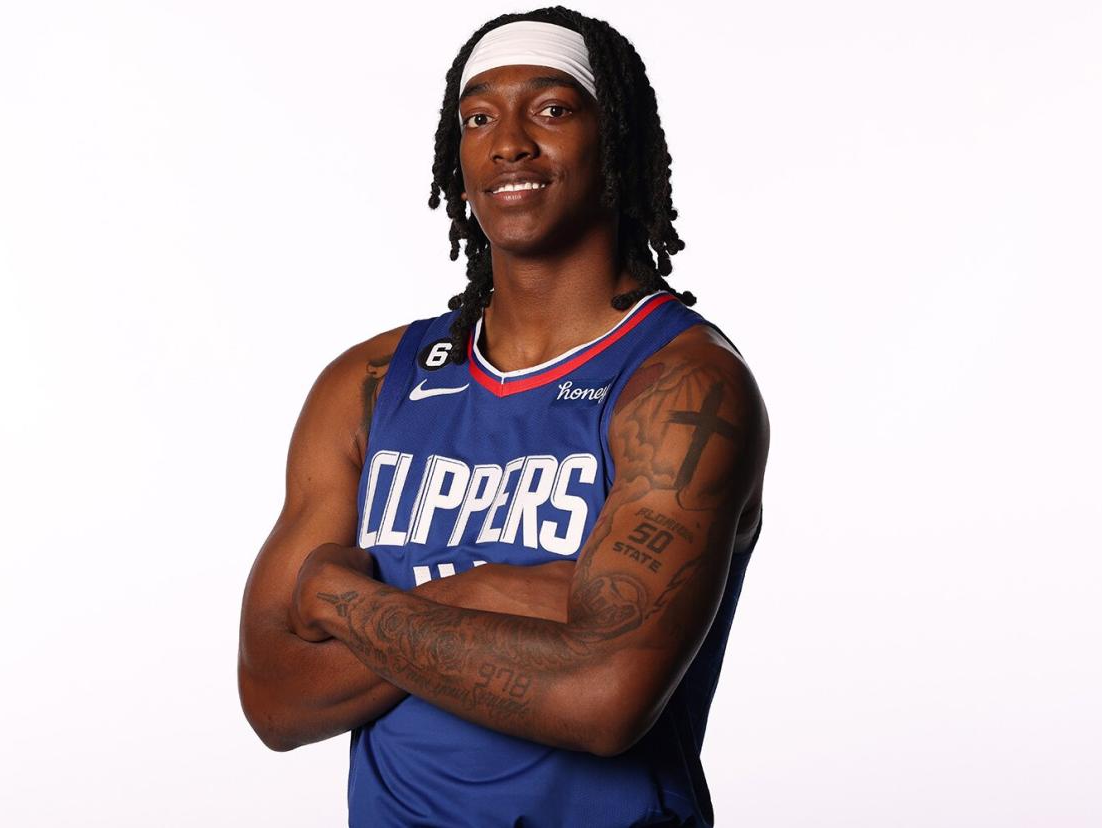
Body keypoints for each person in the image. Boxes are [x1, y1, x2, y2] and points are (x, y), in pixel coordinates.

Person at [238, 7, 770, 826]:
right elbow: (275, 697)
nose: (509, 142)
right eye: (478, 118)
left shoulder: (685, 386)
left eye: (552, 109)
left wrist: (348, 601)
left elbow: (603, 700)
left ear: (613, 140)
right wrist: (506, 599)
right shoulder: (372, 383)